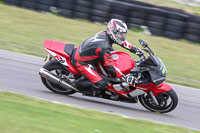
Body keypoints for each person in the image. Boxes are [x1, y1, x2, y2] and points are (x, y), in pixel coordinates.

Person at [71, 19, 143, 96]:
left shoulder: (106, 34)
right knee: (102, 83)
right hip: (82, 63)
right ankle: (76, 86)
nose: (122, 36)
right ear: (113, 32)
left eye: (123, 34)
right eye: (120, 34)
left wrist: (135, 50)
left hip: (90, 55)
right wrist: (123, 77)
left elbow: (121, 42)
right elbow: (110, 67)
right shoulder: (105, 47)